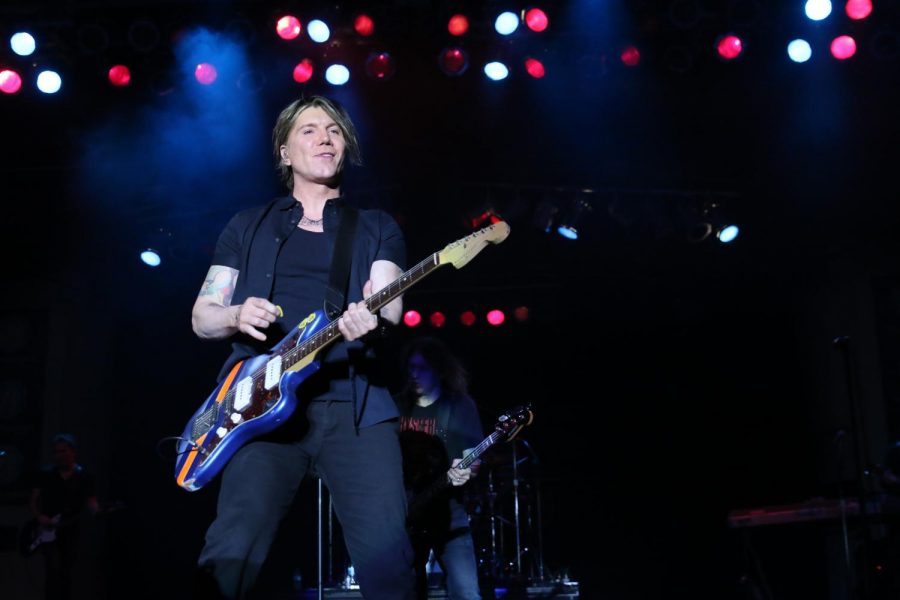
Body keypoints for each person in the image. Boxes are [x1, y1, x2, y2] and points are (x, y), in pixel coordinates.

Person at [190, 94, 415, 600]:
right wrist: (234, 314)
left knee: (389, 562)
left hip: (356, 407)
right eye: (310, 130)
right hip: (260, 408)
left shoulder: (377, 226)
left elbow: (391, 307)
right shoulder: (247, 225)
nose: (325, 138)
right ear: (285, 152)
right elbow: (202, 318)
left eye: (334, 130)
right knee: (231, 550)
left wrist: (369, 321)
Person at [395, 335, 485, 600]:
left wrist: (468, 469)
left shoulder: (459, 405)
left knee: (466, 592)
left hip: (448, 511)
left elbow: (474, 456)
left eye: (421, 368)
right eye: (410, 367)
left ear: (437, 370)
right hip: (406, 512)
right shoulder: (396, 406)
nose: (414, 374)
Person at [28, 433, 99, 600]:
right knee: (51, 571)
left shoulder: (84, 476)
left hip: (70, 528)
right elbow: (33, 500)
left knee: (66, 571)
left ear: (73, 452)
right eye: (56, 452)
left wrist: (98, 511)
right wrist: (40, 517)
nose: (59, 456)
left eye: (63, 451)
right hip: (48, 528)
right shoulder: (46, 474)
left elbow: (92, 501)